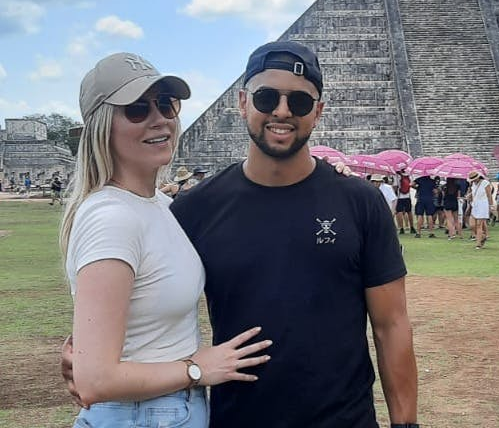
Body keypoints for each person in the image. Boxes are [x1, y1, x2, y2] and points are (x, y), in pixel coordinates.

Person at [66, 42, 419, 428]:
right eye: (266, 97)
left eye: (300, 102)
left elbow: (391, 325)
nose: (281, 111)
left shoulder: (359, 202)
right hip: (237, 417)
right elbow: (121, 307)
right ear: (242, 102)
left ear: (318, 112)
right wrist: (86, 360)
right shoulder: (192, 209)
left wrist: (406, 424)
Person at [60, 52, 272, 427]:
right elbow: (94, 380)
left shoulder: (160, 205)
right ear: (102, 127)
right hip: (142, 414)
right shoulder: (113, 217)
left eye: (165, 104)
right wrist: (196, 369)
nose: (159, 118)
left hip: (160, 411)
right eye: (137, 109)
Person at [468, 170, 493, 249]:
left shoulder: (485, 183)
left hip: (483, 204)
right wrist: (469, 196)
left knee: (479, 224)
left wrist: (491, 206)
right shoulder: (473, 184)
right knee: (472, 225)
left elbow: (489, 195)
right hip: (475, 204)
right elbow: (473, 194)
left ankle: (478, 243)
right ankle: (482, 236)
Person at [396, 171, 415, 236]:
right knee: (409, 212)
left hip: (399, 197)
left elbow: (396, 186)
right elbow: (411, 185)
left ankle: (401, 228)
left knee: (399, 212)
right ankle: (412, 227)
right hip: (408, 196)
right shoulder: (408, 175)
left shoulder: (397, 175)